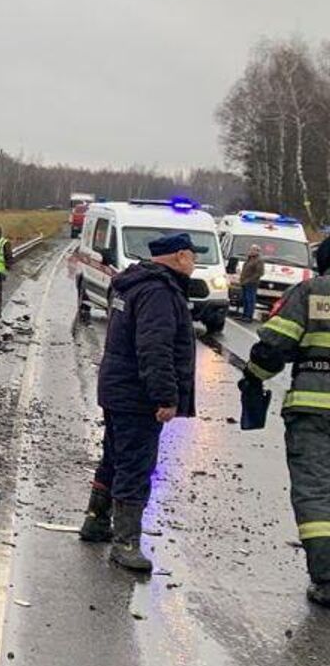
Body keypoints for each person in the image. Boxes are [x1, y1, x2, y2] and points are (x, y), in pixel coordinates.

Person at [77, 232, 197, 572]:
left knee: (114, 457)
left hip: (117, 387)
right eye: (193, 255)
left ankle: (96, 521)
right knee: (136, 465)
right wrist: (165, 397)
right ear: (179, 256)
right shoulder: (159, 292)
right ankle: (126, 542)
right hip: (136, 395)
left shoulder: (132, 283)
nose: (195, 262)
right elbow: (154, 349)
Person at [240, 276, 330, 607]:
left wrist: (252, 377)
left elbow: (272, 348)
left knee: (317, 494)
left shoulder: (313, 291)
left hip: (315, 411)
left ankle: (327, 578)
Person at [237, 245, 265, 321]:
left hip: (252, 283)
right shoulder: (249, 259)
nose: (250, 251)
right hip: (244, 282)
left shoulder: (259, 260)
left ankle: (249, 316)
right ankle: (244, 314)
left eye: (253, 250)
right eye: (250, 249)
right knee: (245, 299)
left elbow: (260, 273)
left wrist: (249, 280)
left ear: (257, 252)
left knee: (250, 299)